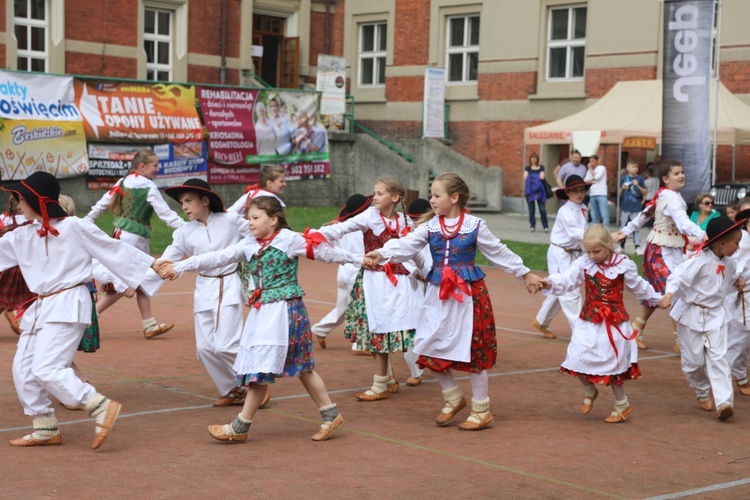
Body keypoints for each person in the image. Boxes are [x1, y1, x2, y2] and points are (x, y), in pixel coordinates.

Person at [159, 196, 360, 442]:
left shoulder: (289, 240)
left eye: (256, 218)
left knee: (298, 368)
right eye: (249, 217)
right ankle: (324, 416)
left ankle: (243, 426)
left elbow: (327, 253)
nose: (250, 222)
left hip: (286, 311)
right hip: (262, 311)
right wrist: (180, 266)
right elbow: (216, 257)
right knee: (262, 368)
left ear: (273, 220)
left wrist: (360, 260)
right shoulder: (249, 244)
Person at [364, 173, 544, 430]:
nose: (432, 200)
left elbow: (497, 251)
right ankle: (453, 397)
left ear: (454, 197)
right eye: (432, 195)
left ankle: (481, 409)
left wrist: (525, 273)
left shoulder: (474, 225)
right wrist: (381, 253)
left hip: (469, 296)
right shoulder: (429, 227)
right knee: (427, 344)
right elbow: (406, 245)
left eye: (437, 195)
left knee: (474, 349)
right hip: (438, 295)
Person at [1, 171, 162, 448]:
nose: (16, 205)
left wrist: (152, 265)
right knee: (23, 369)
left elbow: (111, 249)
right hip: (40, 307)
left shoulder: (74, 226)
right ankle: (45, 427)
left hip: (68, 302)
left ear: (35, 200)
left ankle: (98, 405)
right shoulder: (21, 237)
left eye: (19, 199)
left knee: (48, 367)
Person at [140, 179, 257, 408]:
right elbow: (166, 260)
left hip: (229, 286)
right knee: (204, 350)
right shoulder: (184, 232)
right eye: (182, 202)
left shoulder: (230, 220)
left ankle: (256, 382)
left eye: (189, 200)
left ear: (205, 200)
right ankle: (233, 389)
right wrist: (136, 283)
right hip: (204, 289)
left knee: (226, 346)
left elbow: (256, 233)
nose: (184, 207)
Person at [313, 177, 424, 401]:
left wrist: (416, 271)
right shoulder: (369, 217)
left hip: (399, 283)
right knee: (376, 329)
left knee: (395, 329)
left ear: (395, 197)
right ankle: (382, 381)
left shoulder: (405, 222)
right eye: (374, 193)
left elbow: (412, 251)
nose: (375, 197)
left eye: (380, 193)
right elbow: (342, 228)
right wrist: (314, 235)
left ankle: (387, 379)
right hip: (374, 281)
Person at [540, 225, 663, 423]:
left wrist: (657, 299)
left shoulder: (623, 264)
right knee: (575, 357)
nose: (592, 255)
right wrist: (549, 282)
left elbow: (639, 287)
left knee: (612, 363)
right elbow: (568, 279)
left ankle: (622, 405)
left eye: (596, 251)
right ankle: (590, 390)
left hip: (614, 323)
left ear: (609, 245)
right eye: (588, 251)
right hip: (589, 320)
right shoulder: (584, 263)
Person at [84, 148, 185, 339]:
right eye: (155, 165)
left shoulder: (123, 182)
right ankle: (90, 318)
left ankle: (149, 324)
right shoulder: (147, 185)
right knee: (124, 283)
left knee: (139, 279)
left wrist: (84, 222)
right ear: (142, 166)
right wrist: (186, 228)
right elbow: (165, 213)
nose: (157, 169)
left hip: (125, 235)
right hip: (130, 239)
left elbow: (101, 205)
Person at [614, 160, 706, 351]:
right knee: (676, 291)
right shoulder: (670, 198)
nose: (681, 176)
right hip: (660, 251)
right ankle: (679, 341)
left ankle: (636, 329)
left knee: (657, 294)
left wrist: (625, 231)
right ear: (665, 179)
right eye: (676, 173)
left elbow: (646, 214)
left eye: (682, 172)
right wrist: (702, 234)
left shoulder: (668, 195)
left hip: (667, 249)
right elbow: (683, 223)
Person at [659, 216, 744, 421]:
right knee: (693, 362)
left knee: (719, 358)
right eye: (736, 243)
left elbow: (730, 277)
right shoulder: (698, 262)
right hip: (691, 315)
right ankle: (702, 390)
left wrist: (736, 282)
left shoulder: (730, 263)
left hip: (716, 316)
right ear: (722, 243)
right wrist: (669, 294)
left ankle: (724, 402)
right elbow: (677, 276)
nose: (738, 247)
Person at [532, 175, 589, 340]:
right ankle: (581, 334)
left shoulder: (583, 207)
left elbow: (582, 233)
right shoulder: (565, 211)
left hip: (574, 253)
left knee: (560, 287)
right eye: (575, 191)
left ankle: (541, 320)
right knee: (570, 292)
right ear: (568, 193)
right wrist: (599, 237)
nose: (579, 193)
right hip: (561, 253)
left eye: (582, 190)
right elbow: (577, 233)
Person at [311, 194, 370, 351]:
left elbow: (321, 235)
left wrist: (331, 225)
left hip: (344, 273)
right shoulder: (364, 228)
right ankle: (360, 344)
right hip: (358, 274)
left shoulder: (341, 227)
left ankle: (319, 329)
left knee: (342, 308)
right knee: (363, 309)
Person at [401, 198, 433, 386]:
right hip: (416, 289)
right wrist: (415, 272)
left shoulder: (439, 233)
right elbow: (404, 258)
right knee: (413, 327)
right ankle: (416, 369)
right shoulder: (409, 236)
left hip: (440, 286)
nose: (415, 223)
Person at [725, 200, 750, 396]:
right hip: (743, 299)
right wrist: (736, 279)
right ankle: (731, 376)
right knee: (739, 340)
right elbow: (733, 267)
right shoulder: (743, 243)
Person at [0, 195, 34, 335]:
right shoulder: (30, 221)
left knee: (2, 294)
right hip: (24, 266)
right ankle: (16, 316)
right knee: (29, 297)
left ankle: (10, 312)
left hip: (6, 265)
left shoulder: (3, 219)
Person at [618, 159, 647, 255]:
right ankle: (621, 246)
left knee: (636, 227)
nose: (635, 169)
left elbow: (645, 192)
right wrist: (622, 188)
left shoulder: (640, 179)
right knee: (623, 228)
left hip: (636, 207)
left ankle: (637, 246)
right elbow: (619, 193)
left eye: (636, 167)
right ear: (627, 168)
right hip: (625, 207)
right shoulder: (623, 179)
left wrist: (638, 185)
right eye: (632, 167)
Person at [523, 152, 549, 233]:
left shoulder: (541, 167)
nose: (533, 159)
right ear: (530, 159)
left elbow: (542, 177)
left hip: (540, 192)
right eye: (532, 158)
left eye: (535, 158)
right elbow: (525, 178)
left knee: (542, 210)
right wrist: (535, 177)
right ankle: (532, 225)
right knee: (531, 210)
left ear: (537, 159)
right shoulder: (527, 168)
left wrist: (532, 178)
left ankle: (545, 226)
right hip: (530, 192)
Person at [584, 154, 609, 229]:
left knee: (604, 214)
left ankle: (606, 230)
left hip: (602, 194)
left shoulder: (602, 168)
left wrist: (591, 172)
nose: (591, 163)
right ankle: (596, 230)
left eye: (593, 161)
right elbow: (585, 181)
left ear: (597, 161)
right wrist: (592, 178)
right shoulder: (589, 171)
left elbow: (597, 177)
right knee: (593, 214)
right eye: (590, 161)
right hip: (592, 194)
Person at [643, 163, 659, 229]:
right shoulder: (657, 180)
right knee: (654, 213)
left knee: (647, 212)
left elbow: (645, 191)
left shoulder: (646, 181)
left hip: (648, 197)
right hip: (655, 197)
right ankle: (652, 224)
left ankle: (647, 225)